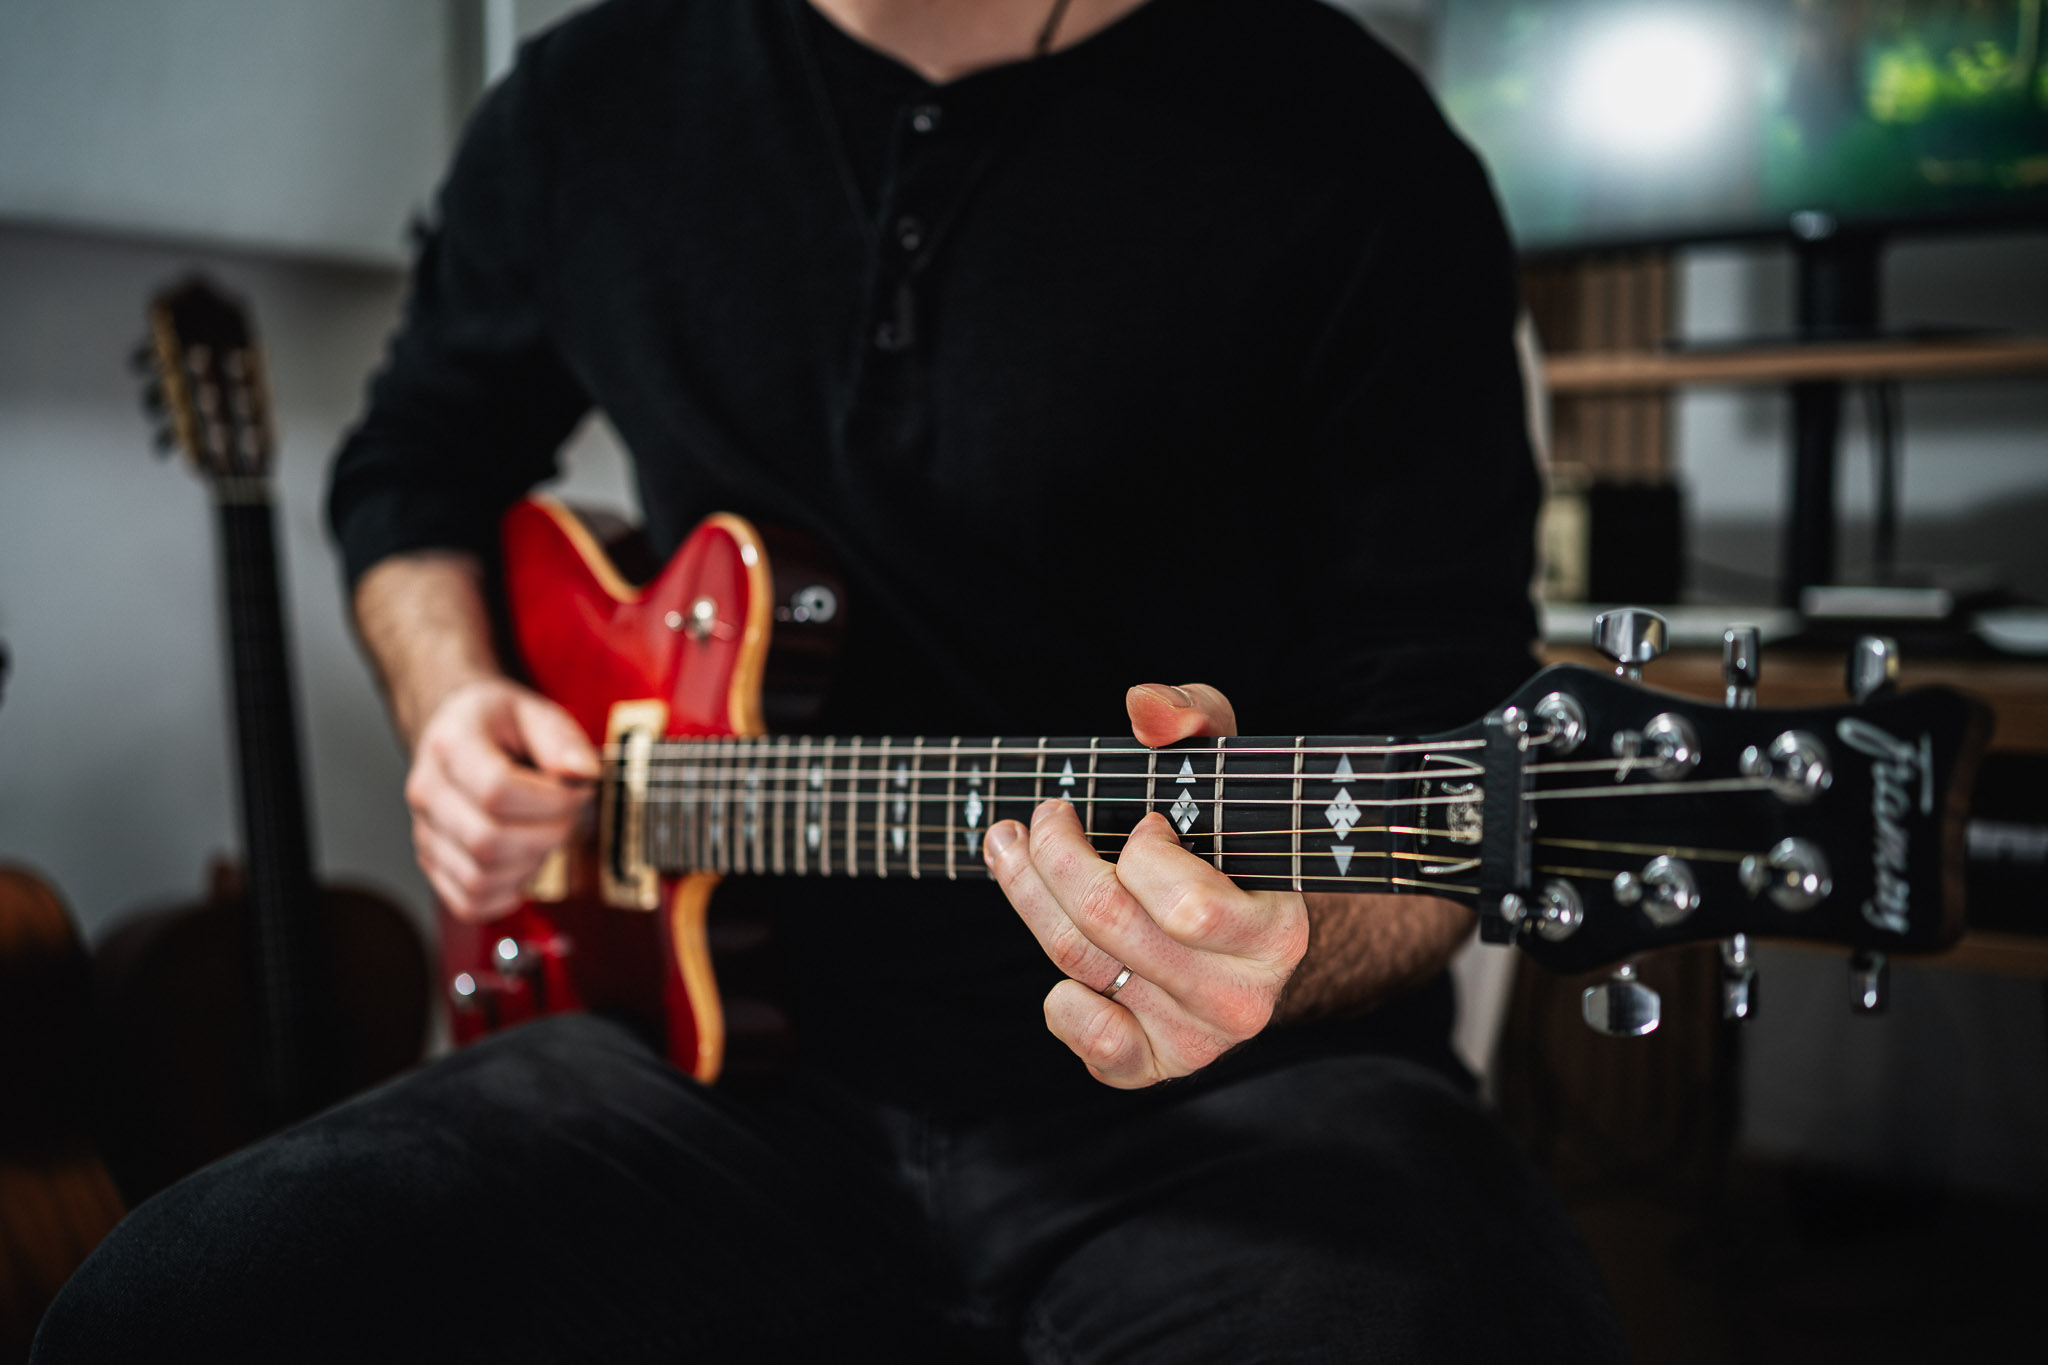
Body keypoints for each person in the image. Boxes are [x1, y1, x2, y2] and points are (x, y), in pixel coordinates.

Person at [37, 1, 1628, 1359]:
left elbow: (1450, 731)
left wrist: (1286, 944)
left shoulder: (1352, 140)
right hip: (690, 1058)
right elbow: (411, 467)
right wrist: (452, 701)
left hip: (1244, 1094)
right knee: (175, 1304)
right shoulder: (591, 101)